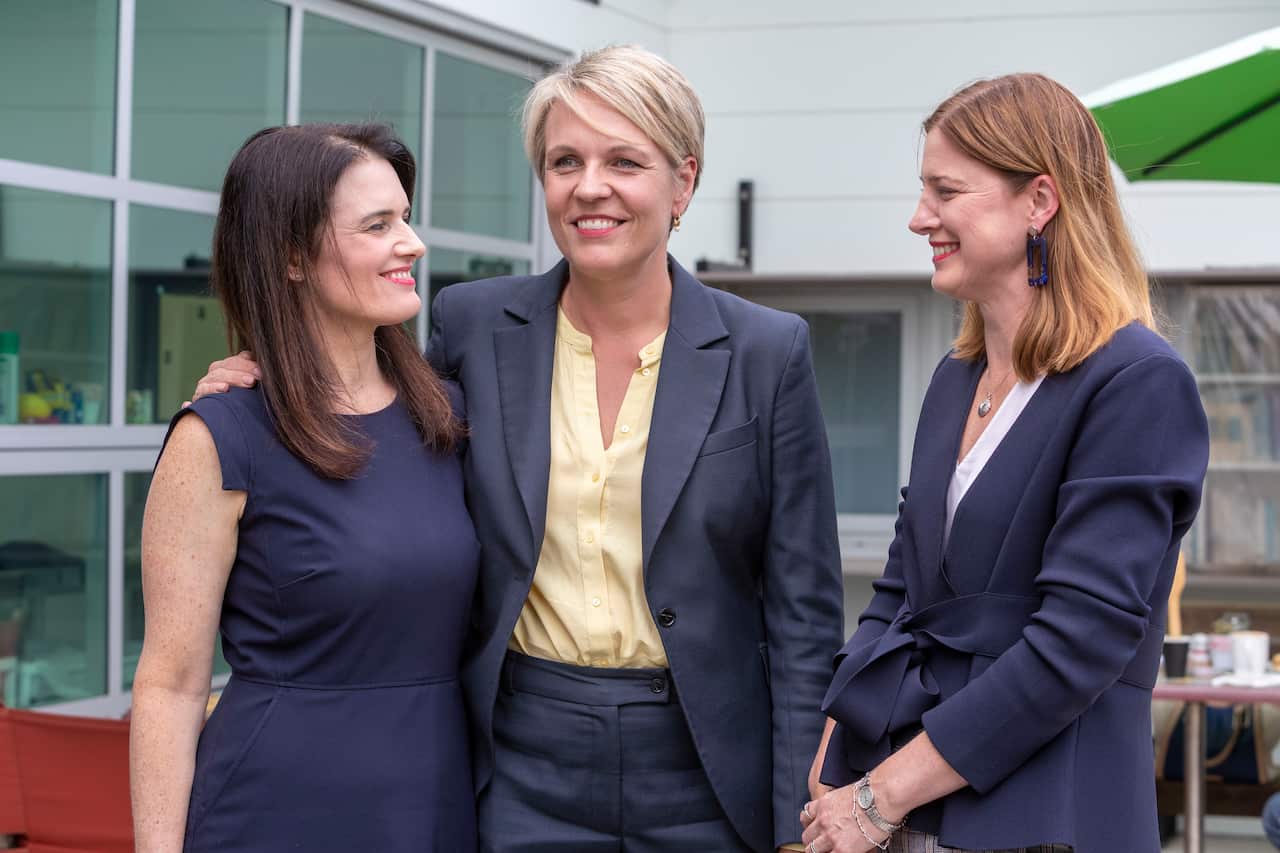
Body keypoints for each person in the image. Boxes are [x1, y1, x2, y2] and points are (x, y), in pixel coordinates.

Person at [193, 45, 844, 852]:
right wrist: (258, 379)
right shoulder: (471, 328)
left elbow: (805, 614)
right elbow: (370, 440)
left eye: (625, 160)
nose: (589, 186)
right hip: (518, 764)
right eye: (564, 160)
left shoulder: (766, 350)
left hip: (708, 768)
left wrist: (798, 818)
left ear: (684, 180)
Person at [799, 73, 1209, 853]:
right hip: (914, 809)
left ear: (1039, 201)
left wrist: (879, 795)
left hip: (1052, 816)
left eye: (946, 191)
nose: (920, 218)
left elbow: (1077, 642)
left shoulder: (1136, 382)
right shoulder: (956, 379)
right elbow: (899, 593)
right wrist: (831, 752)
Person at [129, 123, 479, 851]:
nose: (410, 243)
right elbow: (170, 683)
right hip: (274, 812)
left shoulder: (452, 417)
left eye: (405, 218)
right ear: (290, 255)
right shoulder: (220, 435)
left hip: (437, 803)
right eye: (378, 225)